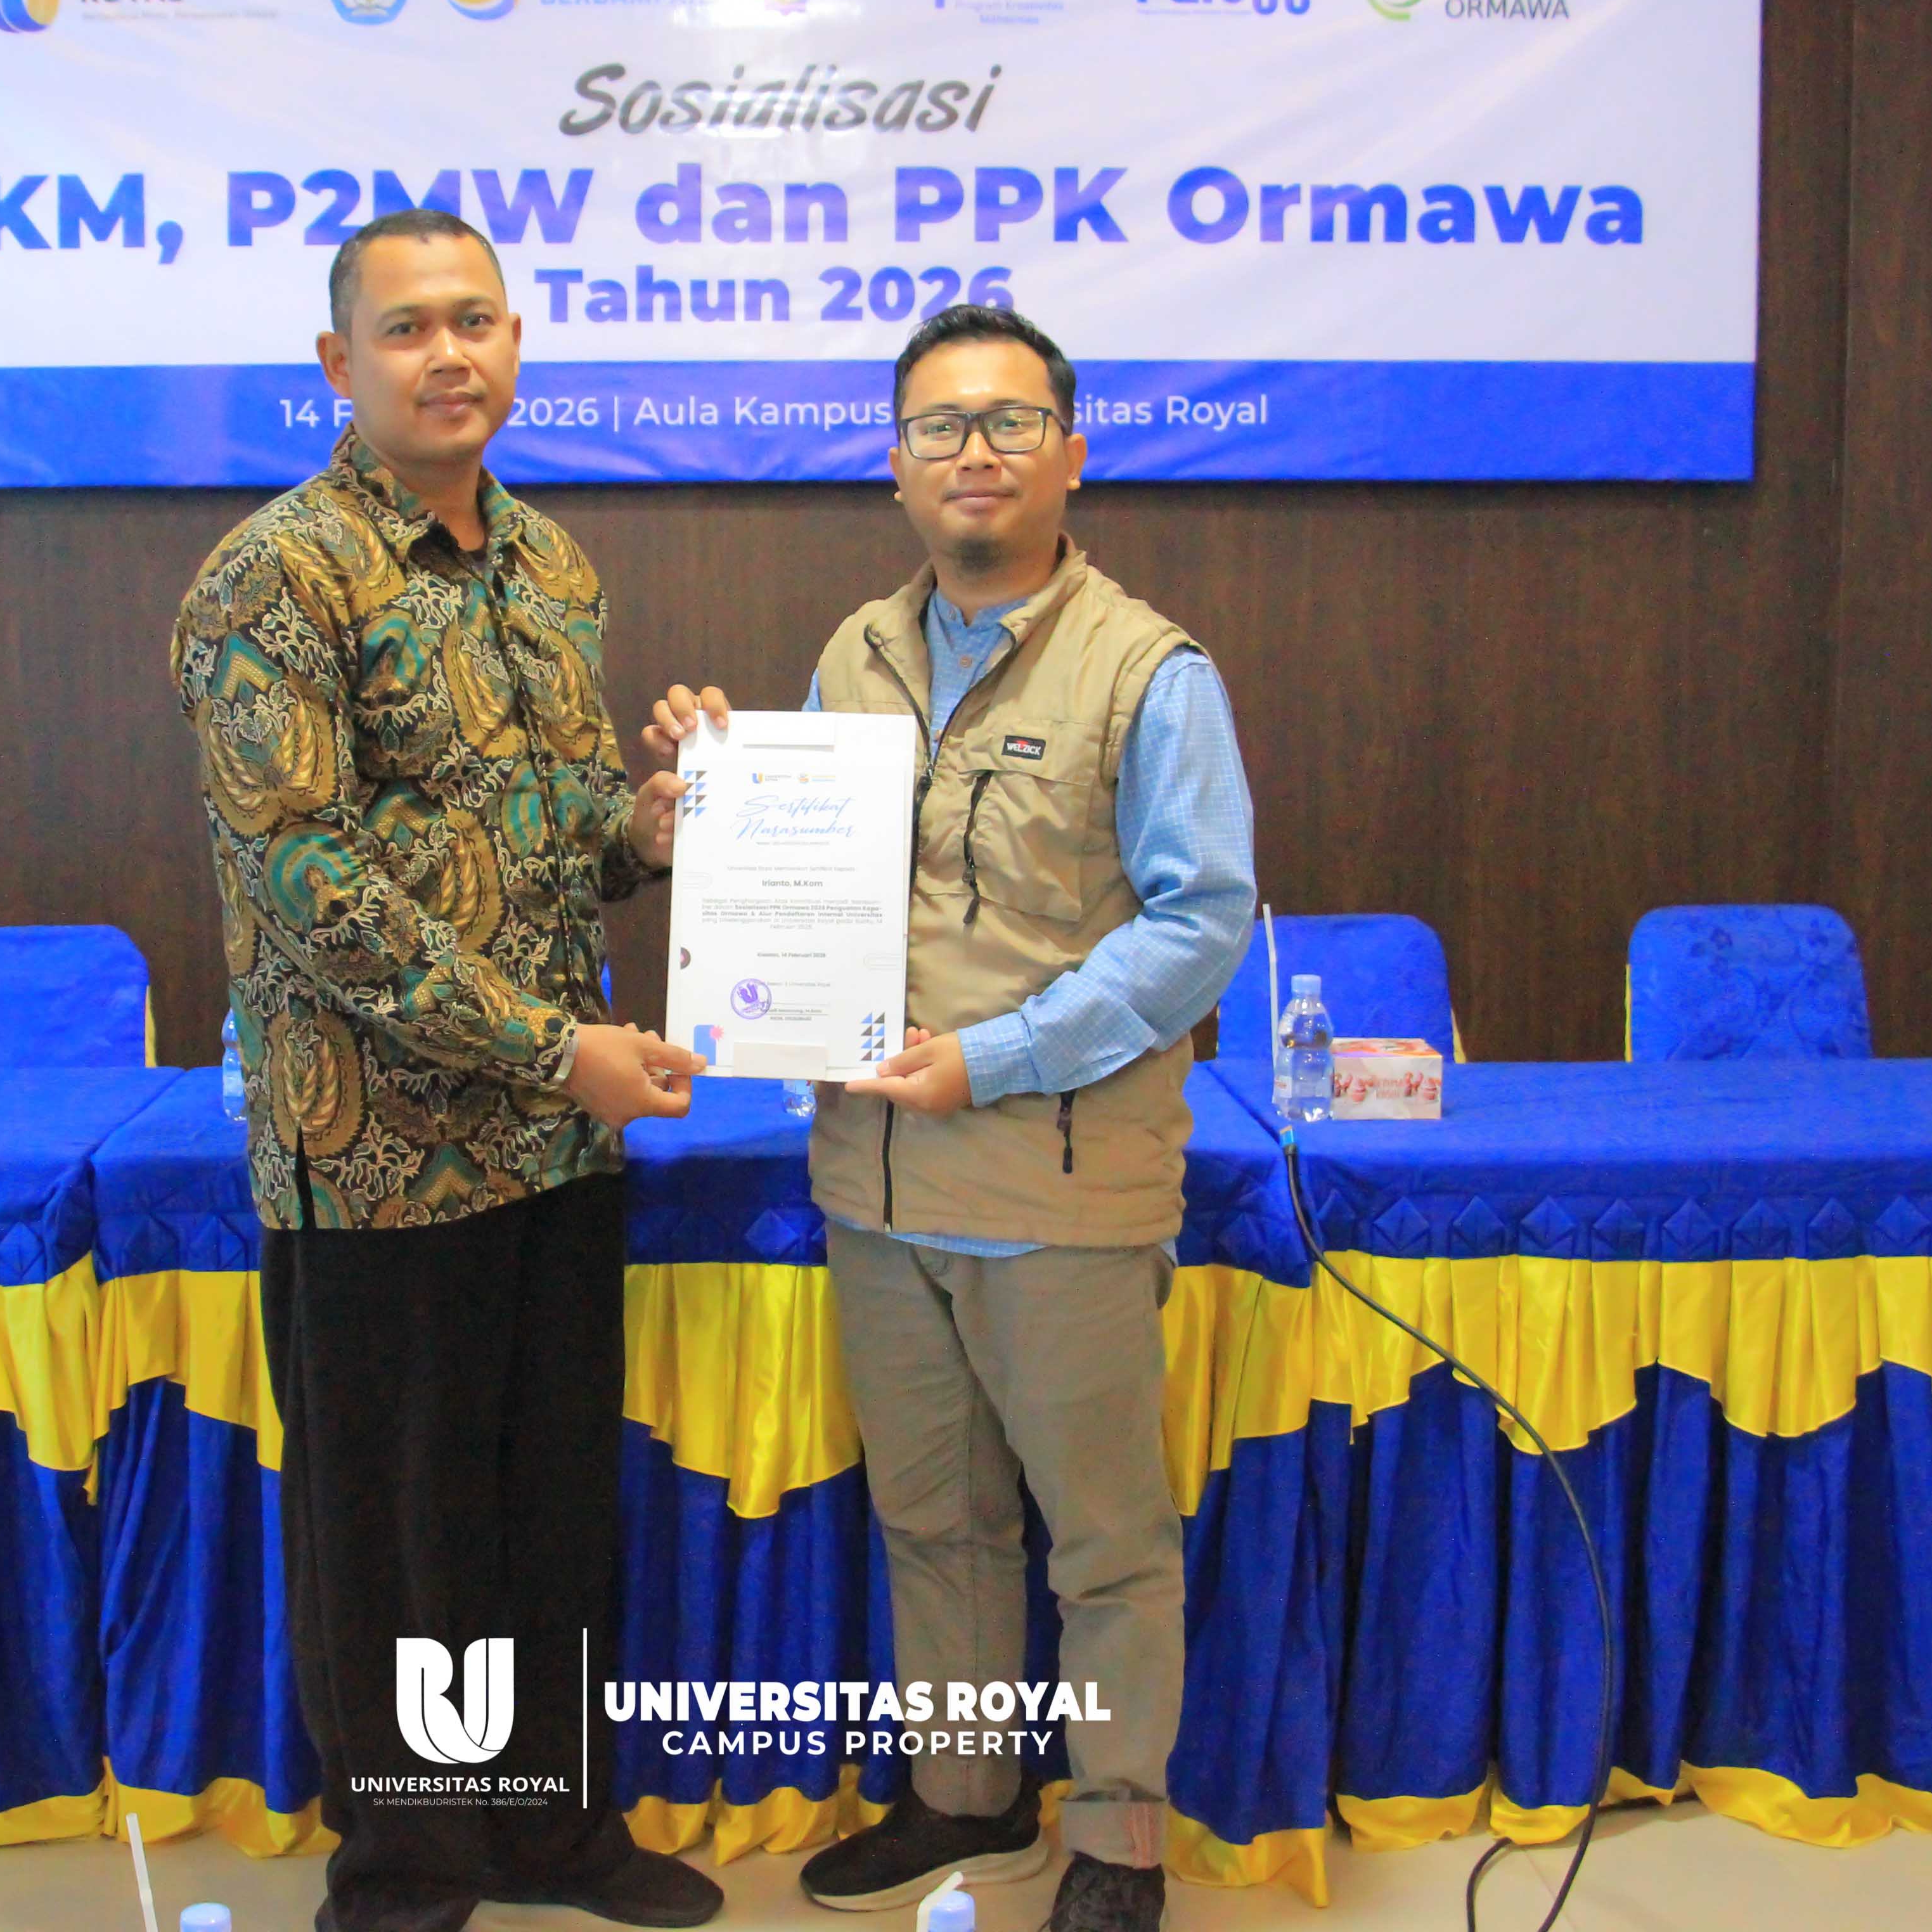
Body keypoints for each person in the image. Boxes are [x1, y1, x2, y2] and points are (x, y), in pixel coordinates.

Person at [644, 306, 1255, 1932]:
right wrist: (713, 807)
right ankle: (965, 1799)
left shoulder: (1151, 673)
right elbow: (811, 894)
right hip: (874, 1177)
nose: (973, 452)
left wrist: (997, 1057)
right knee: (935, 1522)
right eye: (938, 427)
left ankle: (1119, 1840)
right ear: (896, 466)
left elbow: (1201, 925)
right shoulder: (855, 653)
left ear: (1073, 452)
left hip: (1057, 1180)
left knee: (1103, 1543)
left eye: (1009, 421)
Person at [171, 209, 717, 1932]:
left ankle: (556, 1837)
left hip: (555, 1152)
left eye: (476, 320)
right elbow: (309, 883)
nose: (449, 354)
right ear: (340, 363)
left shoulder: (551, 564)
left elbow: (550, 832)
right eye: (408, 329)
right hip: (381, 1161)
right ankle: (410, 1873)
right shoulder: (277, 576)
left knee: (551, 1518)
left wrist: (652, 826)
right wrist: (562, 1051)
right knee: (397, 1550)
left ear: (518, 342)